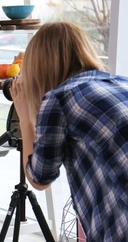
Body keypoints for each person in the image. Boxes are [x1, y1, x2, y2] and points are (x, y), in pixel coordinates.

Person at [9, 21, 128, 241]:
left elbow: (39, 178)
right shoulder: (122, 83)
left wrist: (24, 116)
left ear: (39, 67)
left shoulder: (59, 99)